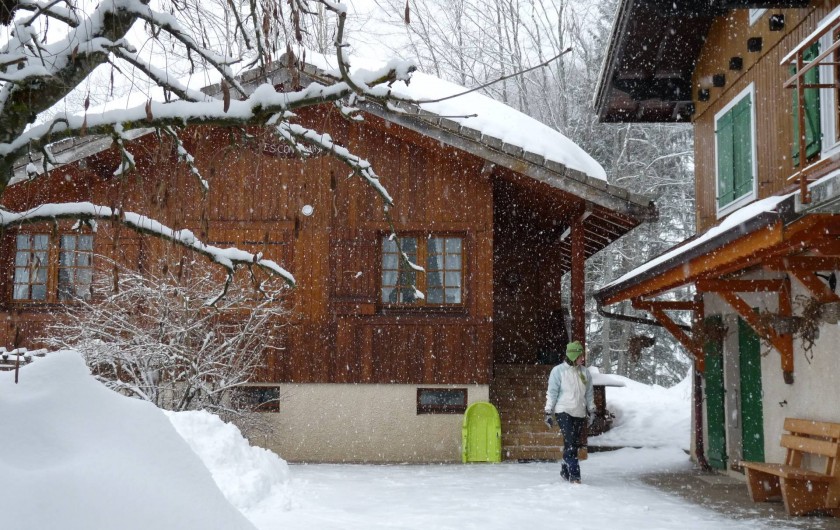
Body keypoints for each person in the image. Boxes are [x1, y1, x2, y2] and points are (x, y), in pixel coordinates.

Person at [543, 340, 595, 484]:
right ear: (572, 356)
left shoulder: (585, 372)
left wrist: (592, 410)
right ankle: (575, 476)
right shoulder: (558, 371)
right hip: (563, 411)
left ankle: (565, 471)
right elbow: (552, 393)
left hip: (579, 412)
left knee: (572, 444)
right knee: (571, 442)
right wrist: (548, 411)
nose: (582, 358)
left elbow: (589, 393)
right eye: (580, 356)